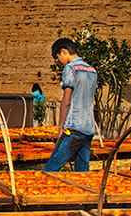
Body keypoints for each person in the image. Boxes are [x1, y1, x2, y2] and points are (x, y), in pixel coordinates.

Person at [42, 38, 98, 172]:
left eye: (58, 57)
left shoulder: (70, 68)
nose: (60, 61)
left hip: (73, 128)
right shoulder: (92, 70)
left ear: (64, 51)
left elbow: (66, 101)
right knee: (82, 170)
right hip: (88, 128)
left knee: (51, 168)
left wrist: (61, 127)